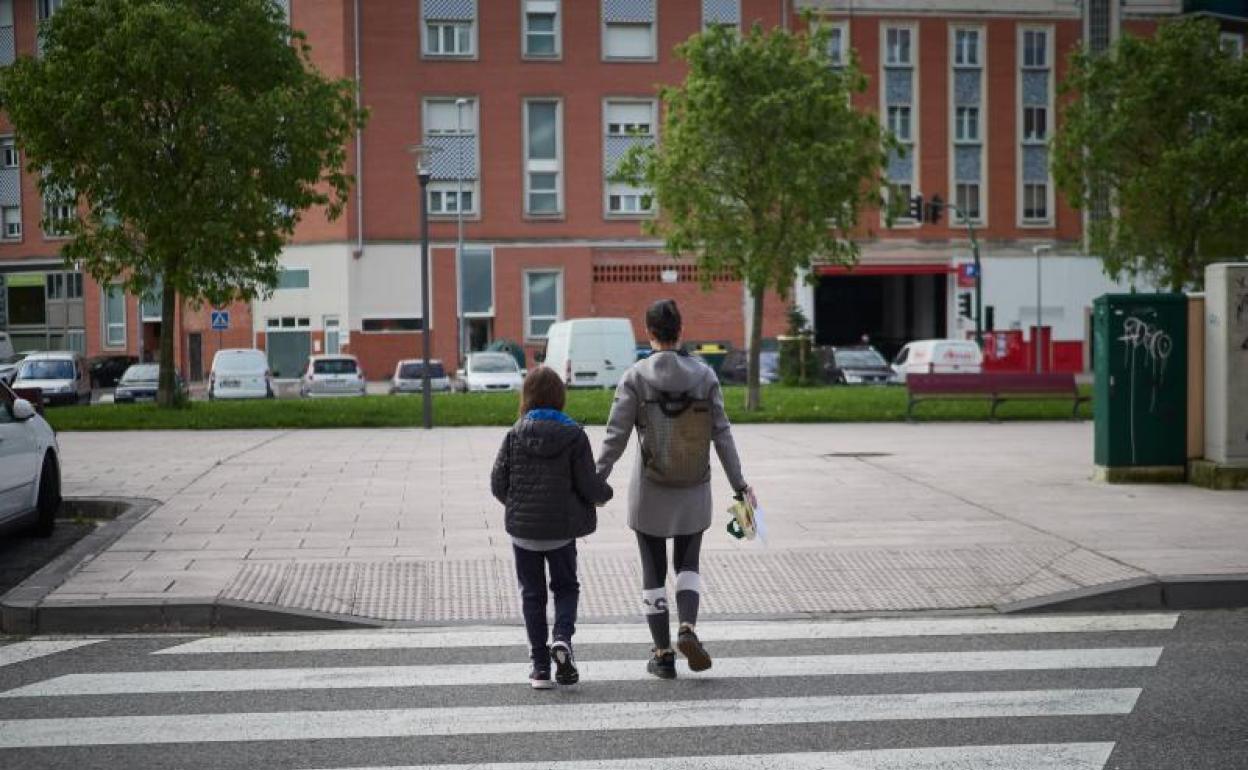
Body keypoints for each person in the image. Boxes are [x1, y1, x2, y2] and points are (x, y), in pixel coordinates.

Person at [597, 299, 753, 679]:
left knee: (653, 568)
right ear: (680, 332)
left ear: (648, 333)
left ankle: (663, 655)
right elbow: (722, 434)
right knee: (688, 563)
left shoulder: (634, 377)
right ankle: (688, 627)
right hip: (694, 485)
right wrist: (740, 486)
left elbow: (615, 438)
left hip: (650, 488)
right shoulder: (704, 376)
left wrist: (592, 480)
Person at [491, 366, 612, 689]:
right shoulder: (574, 434)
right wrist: (605, 495)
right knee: (566, 587)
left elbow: (497, 483)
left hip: (524, 534)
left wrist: (520, 508)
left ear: (526, 396)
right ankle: (562, 638)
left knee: (532, 595)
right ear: (560, 396)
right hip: (561, 532)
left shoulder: (515, 433)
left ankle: (540, 668)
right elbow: (588, 484)